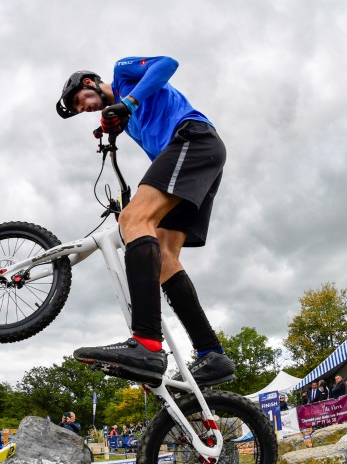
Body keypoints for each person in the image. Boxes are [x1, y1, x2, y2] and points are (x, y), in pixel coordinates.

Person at [58, 57, 235, 388]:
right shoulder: (129, 121)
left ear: (88, 83)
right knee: (165, 255)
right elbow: (157, 159)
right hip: (196, 158)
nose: (82, 108)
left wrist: (127, 103)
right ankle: (212, 352)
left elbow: (167, 64)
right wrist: (116, 125)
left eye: (79, 101)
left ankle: (147, 342)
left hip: (193, 139)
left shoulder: (123, 75)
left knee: (134, 220)